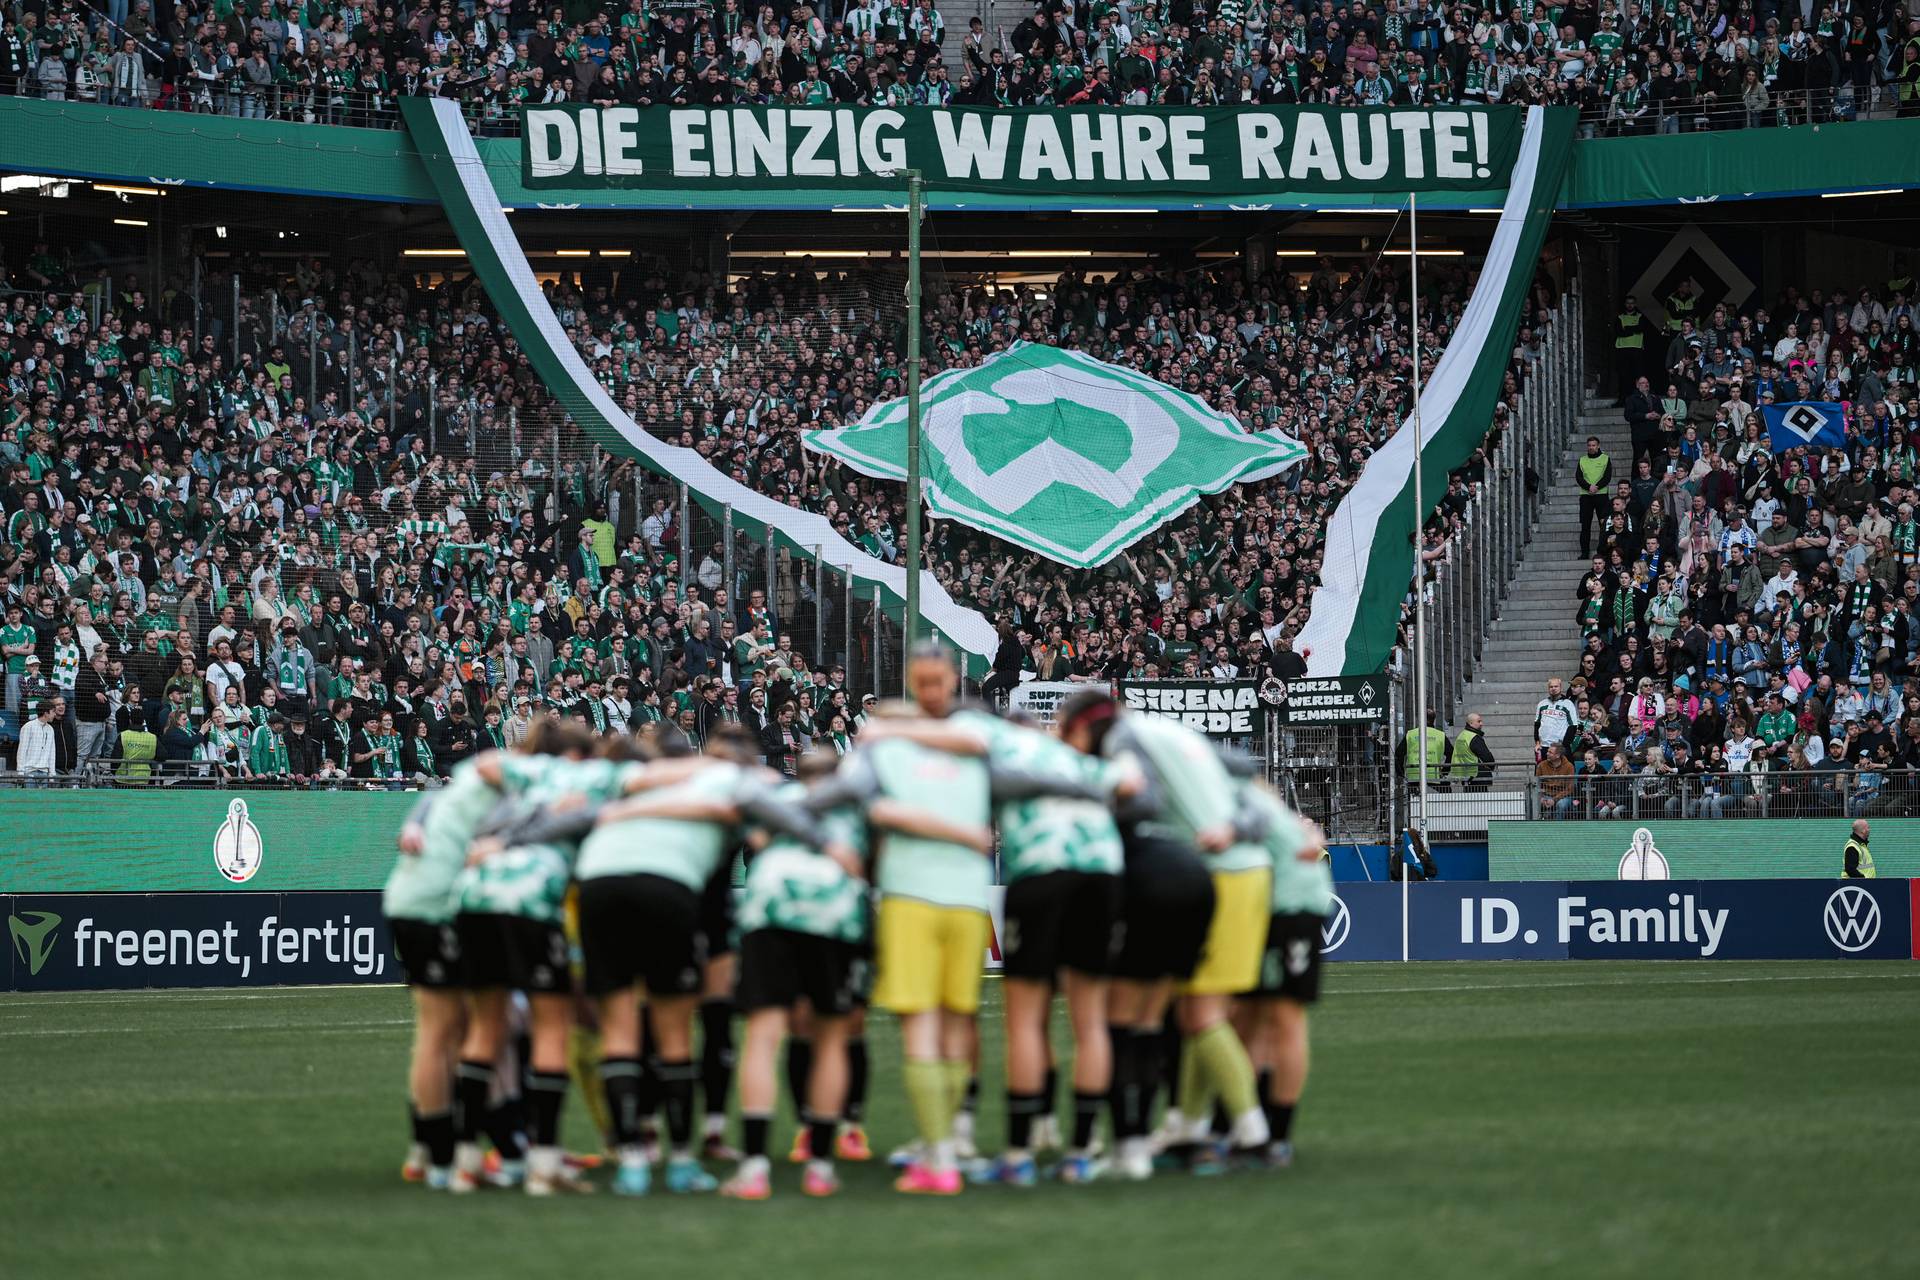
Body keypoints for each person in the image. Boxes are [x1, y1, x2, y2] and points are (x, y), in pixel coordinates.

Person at [1055, 687, 1232, 1182]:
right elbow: (1234, 765)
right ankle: (1172, 1131)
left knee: (1115, 1023)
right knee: (1155, 1020)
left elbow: (1139, 798)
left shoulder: (1118, 747)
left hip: (1147, 878)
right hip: (1195, 874)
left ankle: (1129, 1144)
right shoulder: (1165, 733)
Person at [384, 751, 507, 1190]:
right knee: (449, 1032)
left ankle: (430, 1149)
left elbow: (418, 818)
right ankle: (447, 1157)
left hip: (410, 904)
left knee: (444, 1031)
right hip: (435, 911)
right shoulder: (510, 791)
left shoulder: (456, 790)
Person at [1234, 771, 1332, 1169]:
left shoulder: (1247, 808)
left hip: (1289, 913)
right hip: (1272, 913)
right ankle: (1256, 1129)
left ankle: (1275, 1136)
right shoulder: (1267, 812)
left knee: (1283, 1020)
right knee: (1257, 1018)